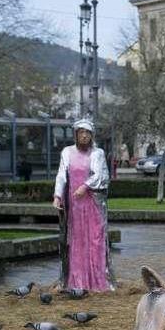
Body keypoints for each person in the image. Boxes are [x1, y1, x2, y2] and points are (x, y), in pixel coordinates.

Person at [52, 118, 116, 292]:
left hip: (92, 204)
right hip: (74, 206)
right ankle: (76, 281)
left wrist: (85, 186)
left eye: (88, 133)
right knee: (76, 241)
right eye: (81, 133)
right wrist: (58, 195)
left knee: (95, 240)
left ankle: (97, 280)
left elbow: (101, 175)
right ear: (76, 135)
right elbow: (61, 175)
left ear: (92, 135)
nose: (84, 136)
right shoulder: (67, 152)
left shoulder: (98, 153)